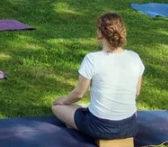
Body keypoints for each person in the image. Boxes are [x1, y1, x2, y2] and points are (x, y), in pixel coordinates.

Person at [52, 12, 144, 140]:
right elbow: (136, 92)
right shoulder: (135, 58)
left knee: (57, 107)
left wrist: (63, 101)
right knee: (84, 107)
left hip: (99, 127)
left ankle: (77, 125)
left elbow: (79, 94)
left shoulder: (92, 59)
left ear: (100, 33)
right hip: (130, 127)